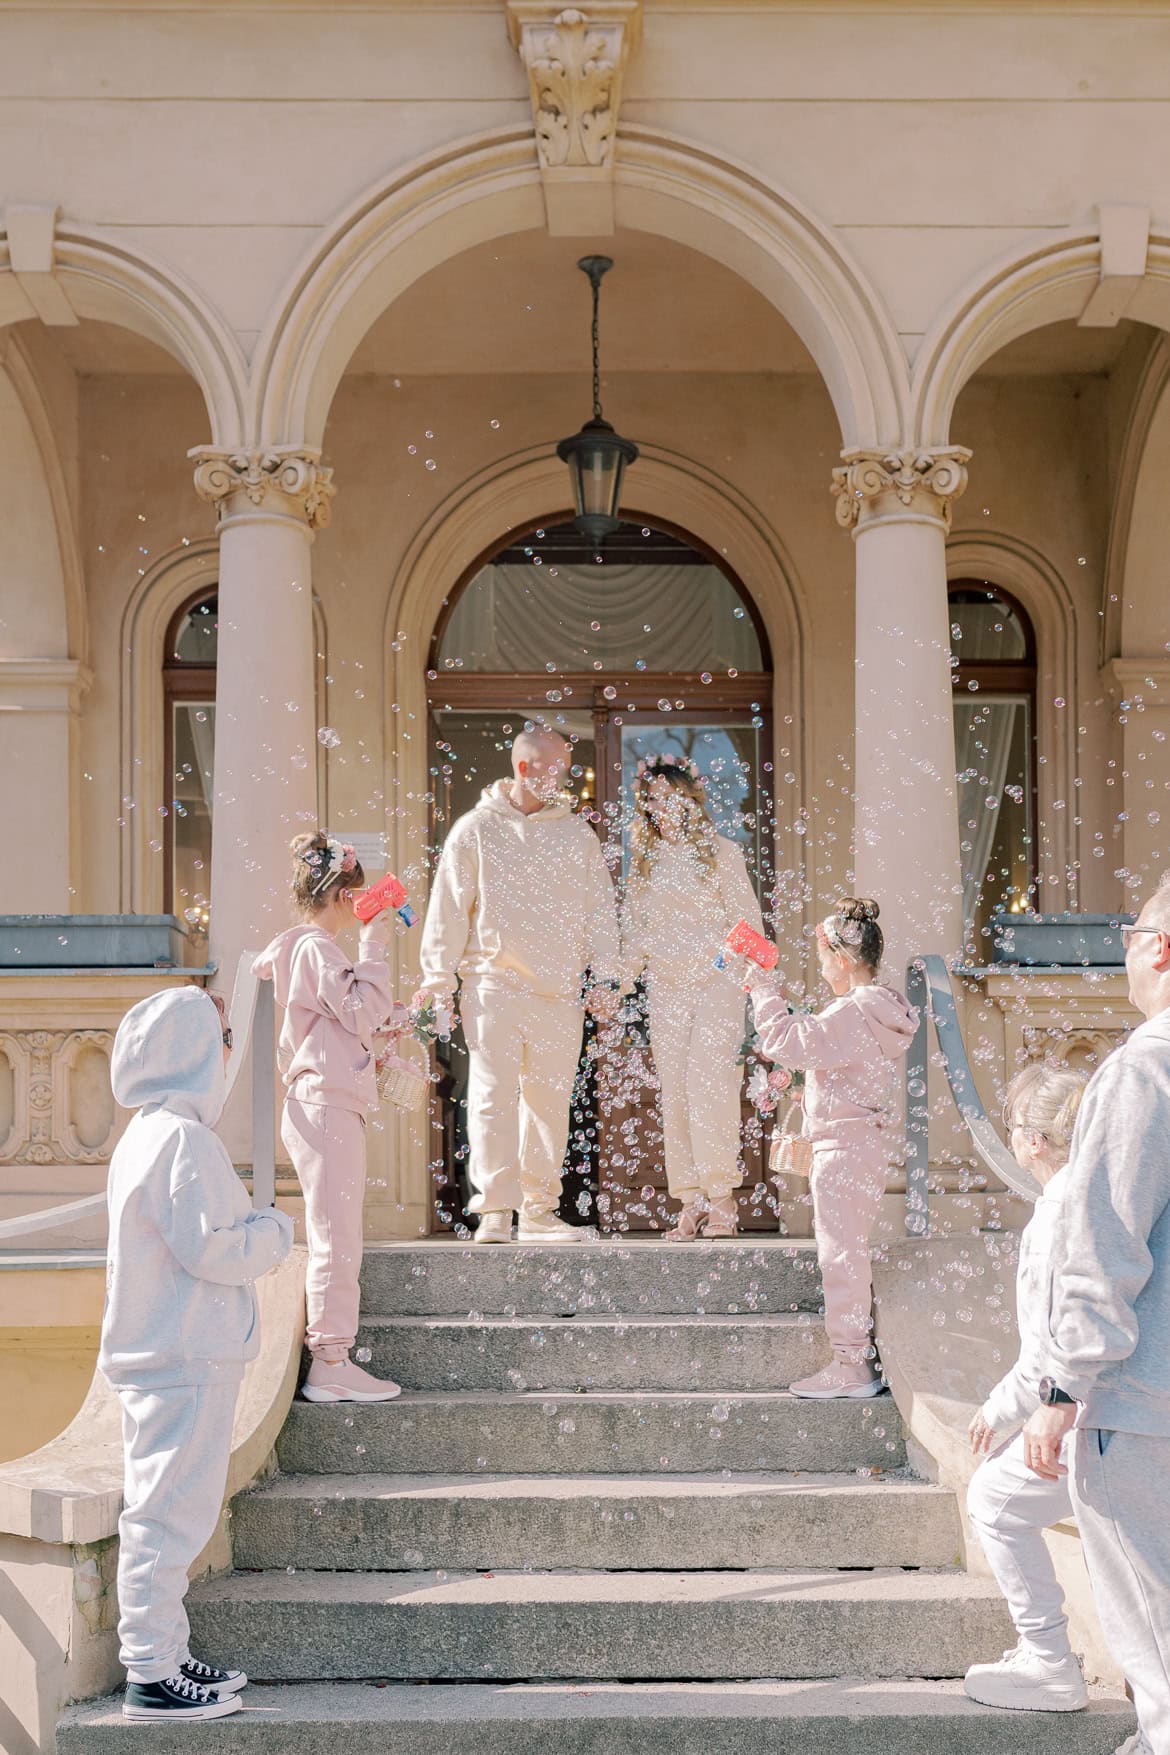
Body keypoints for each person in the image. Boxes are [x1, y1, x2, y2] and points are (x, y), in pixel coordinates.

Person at [99, 986, 294, 1722]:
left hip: (171, 1350)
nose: (224, 1053)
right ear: (186, 1051)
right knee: (165, 1515)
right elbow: (209, 1244)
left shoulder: (150, 1135)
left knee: (172, 1509)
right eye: (215, 1039)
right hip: (178, 1355)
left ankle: (167, 1654)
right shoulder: (179, 1139)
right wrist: (272, 1233)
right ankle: (150, 1670)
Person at [1022, 876, 1170, 1755]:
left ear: (1159, 947)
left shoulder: (1147, 1066)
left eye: (1131, 930)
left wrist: (1063, 1382)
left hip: (1146, 1408)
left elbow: (1105, 1242)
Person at [415, 725, 620, 1243]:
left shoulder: (577, 835)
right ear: (525, 768)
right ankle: (494, 1214)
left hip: (560, 992)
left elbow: (600, 915)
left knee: (549, 1105)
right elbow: (447, 912)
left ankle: (537, 1213)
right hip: (491, 986)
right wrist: (438, 983)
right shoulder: (474, 830)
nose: (568, 777)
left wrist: (608, 979)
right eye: (559, 767)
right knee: (491, 1098)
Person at [255, 832, 408, 1402]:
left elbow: (351, 1017)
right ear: (345, 893)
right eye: (361, 892)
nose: (367, 902)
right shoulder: (317, 948)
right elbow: (359, 1007)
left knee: (335, 1231)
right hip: (325, 1105)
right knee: (335, 1236)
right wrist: (375, 941)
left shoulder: (305, 949)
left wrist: (397, 1016)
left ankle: (333, 1357)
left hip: (323, 1103)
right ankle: (331, 1360)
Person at [745, 898, 916, 1398]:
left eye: (822, 961)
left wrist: (762, 987)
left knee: (840, 1258)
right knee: (846, 1253)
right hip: (859, 1144)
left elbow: (785, 1041)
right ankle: (852, 1360)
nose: (821, 973)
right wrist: (811, 1093)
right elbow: (849, 1074)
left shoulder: (852, 1010)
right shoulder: (881, 1007)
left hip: (842, 1153)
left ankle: (851, 1366)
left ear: (842, 958)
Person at [962, 1061, 1091, 1713]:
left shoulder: (1056, 1215)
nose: (1012, 1136)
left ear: (1035, 1141)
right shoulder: (1097, 1196)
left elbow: (1048, 1350)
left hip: (1087, 1417)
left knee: (992, 1497)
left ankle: (1049, 1659)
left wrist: (998, 1408)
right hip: (1118, 1408)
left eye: (1015, 1126)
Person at [621, 752, 763, 1239]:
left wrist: (719, 968)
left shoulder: (722, 854)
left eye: (671, 797)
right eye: (653, 800)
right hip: (666, 990)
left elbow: (748, 927)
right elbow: (634, 940)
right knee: (677, 1094)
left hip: (716, 989)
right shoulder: (644, 866)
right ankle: (690, 1201)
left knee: (711, 1090)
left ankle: (723, 1200)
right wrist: (612, 983)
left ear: (690, 801)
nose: (662, 807)